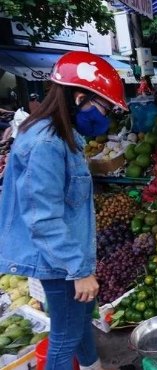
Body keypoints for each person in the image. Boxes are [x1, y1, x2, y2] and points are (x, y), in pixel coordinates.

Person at [0, 51, 128, 370]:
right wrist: (79, 270)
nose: (106, 117)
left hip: (70, 255)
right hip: (59, 261)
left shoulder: (64, 134)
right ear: (80, 97)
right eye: (104, 108)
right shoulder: (46, 144)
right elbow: (43, 219)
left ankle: (91, 366)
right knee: (65, 336)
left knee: (81, 320)